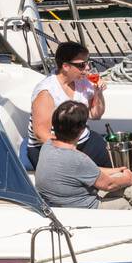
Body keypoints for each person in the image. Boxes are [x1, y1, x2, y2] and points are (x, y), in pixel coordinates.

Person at [35, 102, 132, 210]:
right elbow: (108, 185)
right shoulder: (78, 158)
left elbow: (87, 171)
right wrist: (127, 179)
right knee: (129, 203)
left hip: (59, 206)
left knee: (125, 182)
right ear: (80, 130)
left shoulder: (48, 145)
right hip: (85, 210)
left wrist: (117, 171)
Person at [27, 41, 109, 169]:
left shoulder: (83, 82)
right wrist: (71, 152)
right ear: (65, 66)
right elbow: (41, 134)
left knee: (110, 152)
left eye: (88, 63)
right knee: (86, 171)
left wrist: (98, 93)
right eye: (82, 65)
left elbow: (96, 115)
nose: (87, 68)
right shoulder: (47, 91)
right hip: (50, 147)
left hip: (80, 140)